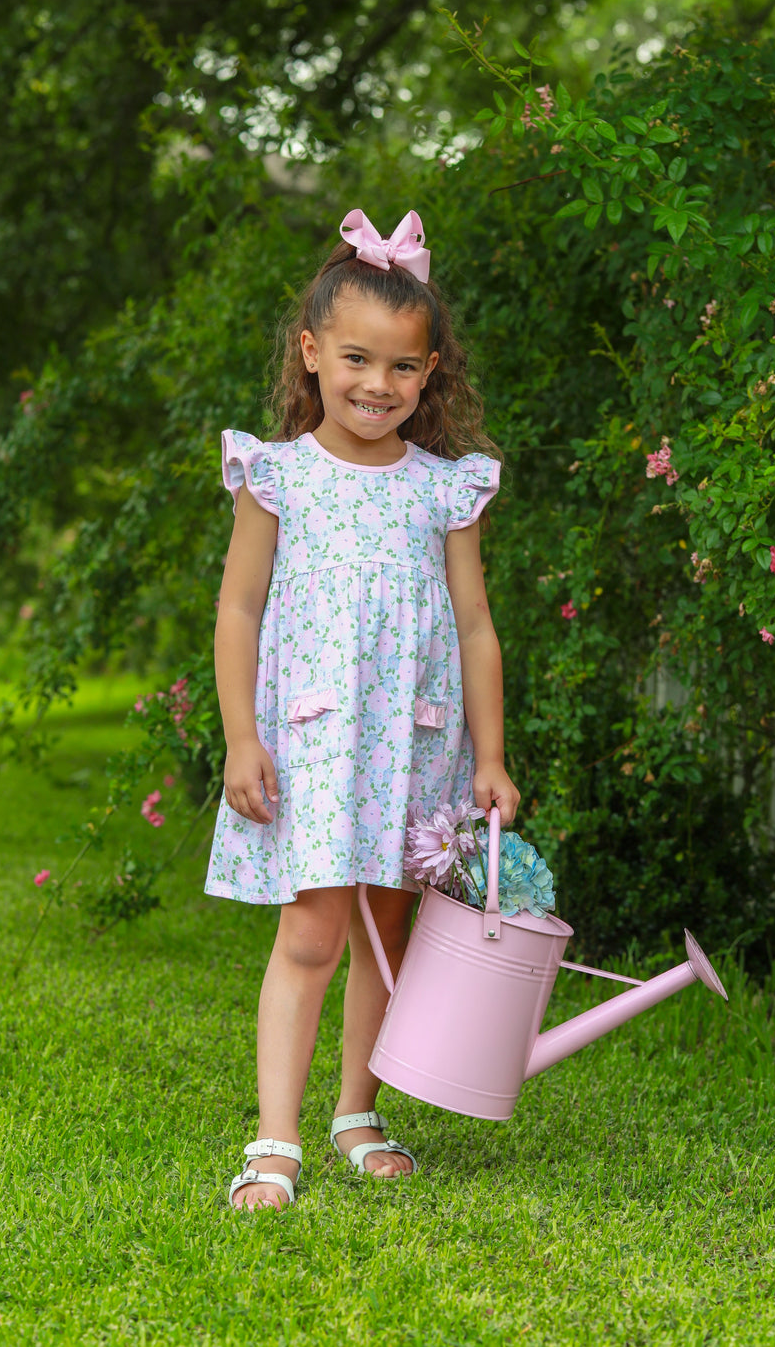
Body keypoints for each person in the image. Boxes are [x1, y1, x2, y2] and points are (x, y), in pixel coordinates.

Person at [207, 207, 520, 1211]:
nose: (374, 386)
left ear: (428, 374)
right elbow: (239, 607)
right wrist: (239, 737)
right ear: (310, 354)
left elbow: (473, 622)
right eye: (354, 359)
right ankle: (275, 1137)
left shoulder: (445, 490)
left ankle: (357, 1110)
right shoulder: (279, 476)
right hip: (310, 743)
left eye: (400, 367)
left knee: (389, 930)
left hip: (417, 747)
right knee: (311, 932)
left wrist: (489, 755)